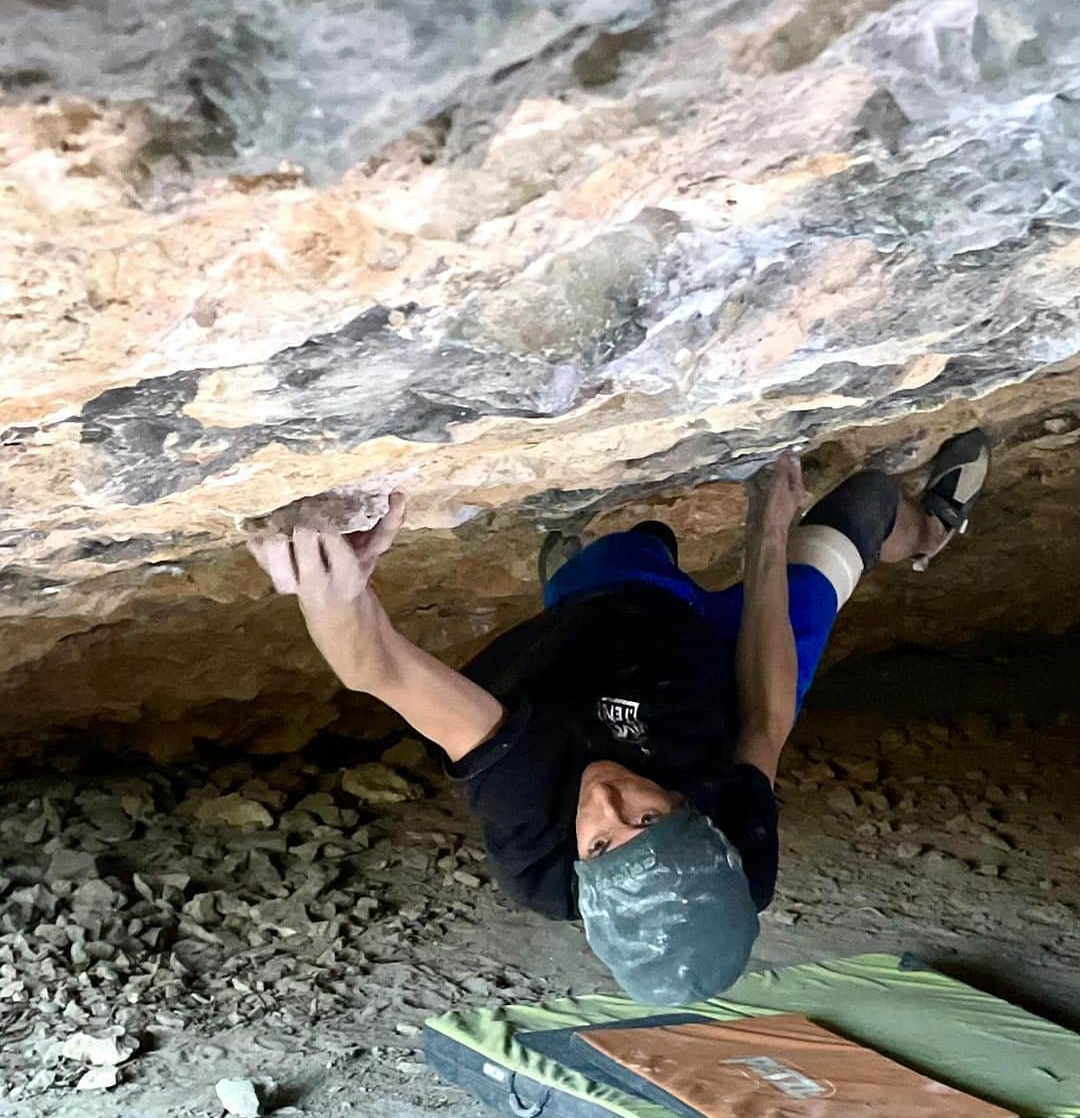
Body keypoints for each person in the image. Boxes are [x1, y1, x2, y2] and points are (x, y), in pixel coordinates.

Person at [248, 430, 990, 1004]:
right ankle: (931, 530)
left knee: (628, 543)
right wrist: (767, 525)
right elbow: (764, 718)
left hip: (591, 628)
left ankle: (611, 559)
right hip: (717, 667)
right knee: (863, 505)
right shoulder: (730, 859)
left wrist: (331, 590)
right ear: (694, 811)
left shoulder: (536, 833)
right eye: (647, 817)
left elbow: (380, 666)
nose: (604, 801)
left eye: (600, 843)